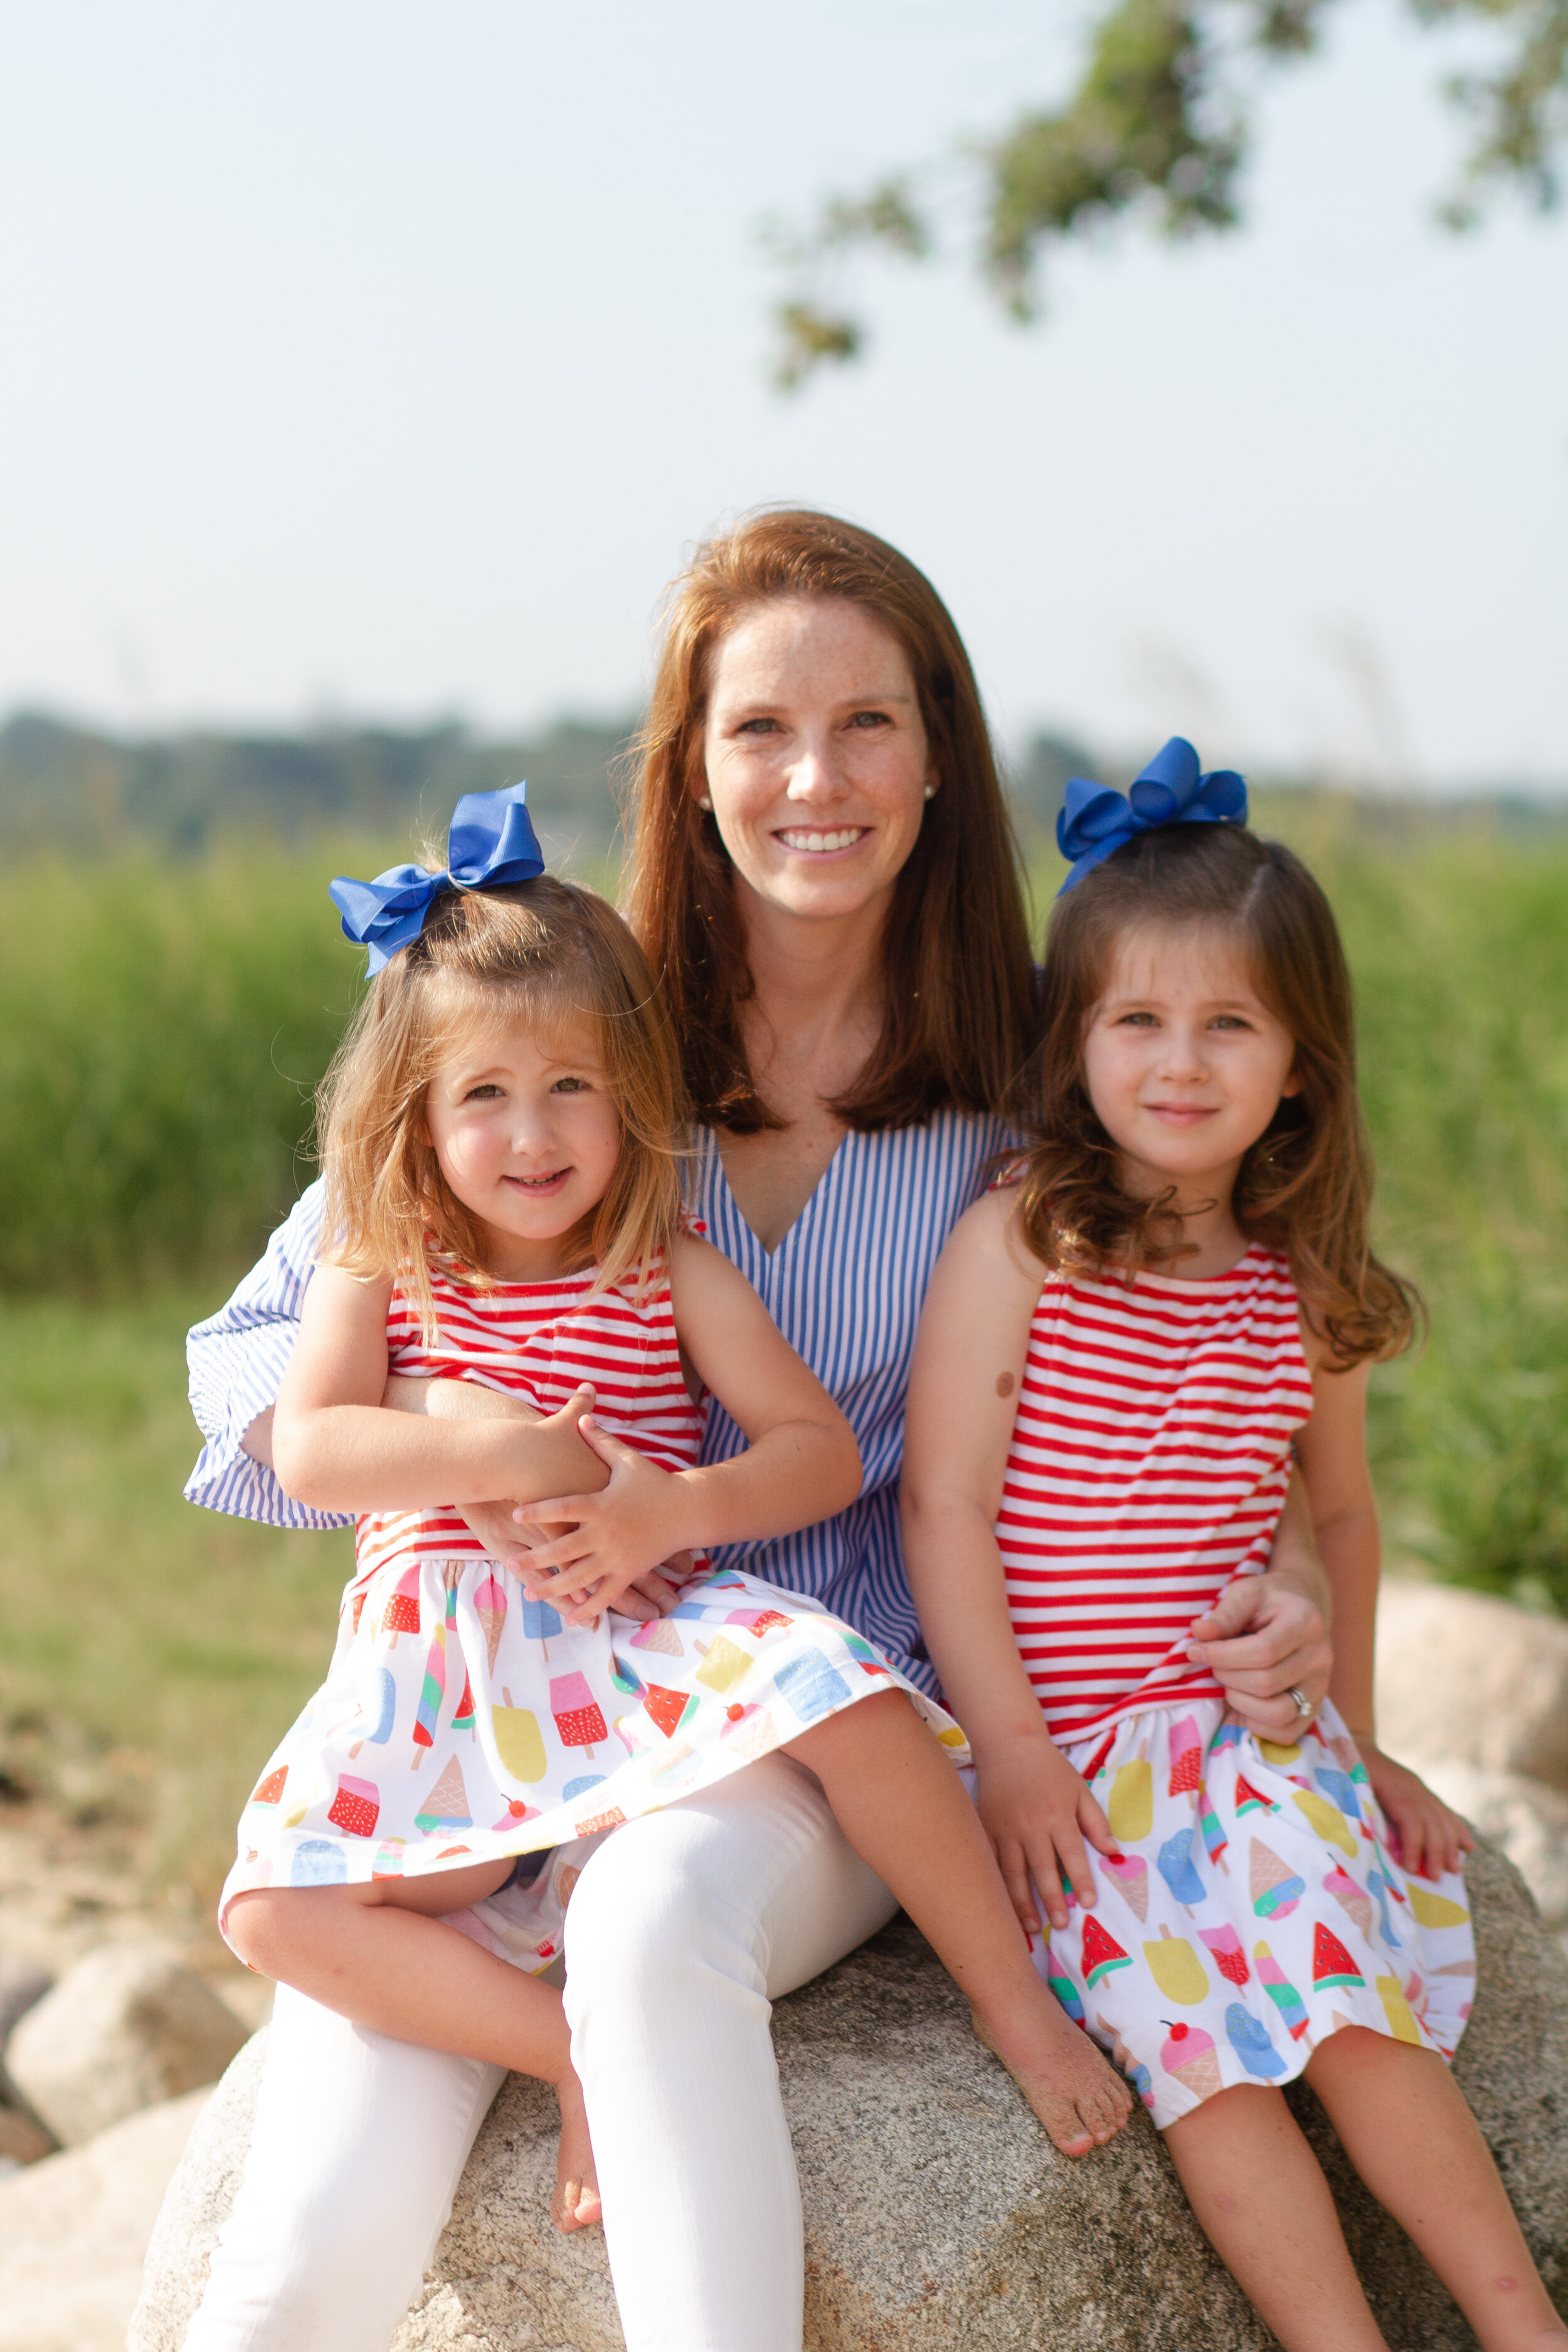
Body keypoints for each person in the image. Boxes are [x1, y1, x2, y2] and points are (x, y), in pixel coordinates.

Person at [182, 513, 1332, 2352]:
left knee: (650, 1927)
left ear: (938, 754)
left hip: (822, 1726)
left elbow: (1211, 1359)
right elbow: (254, 1353)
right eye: (759, 730)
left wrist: (1281, 1575)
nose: (815, 777)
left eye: (868, 722)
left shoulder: (1032, 1086)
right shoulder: (562, 1033)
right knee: (297, 2258)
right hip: (491, 1715)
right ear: (690, 764)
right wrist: (473, 1431)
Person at [221, 788, 1136, 2244]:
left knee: (855, 1706)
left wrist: (673, 1510)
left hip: (637, 1629)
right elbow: (316, 1451)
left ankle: (1013, 2006)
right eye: (483, 1094)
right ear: (413, 1111)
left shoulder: (666, 1259)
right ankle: (567, 2045)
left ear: (635, 1092)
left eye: (573, 1086)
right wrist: (502, 1446)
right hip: (448, 1668)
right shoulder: (376, 1259)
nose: (533, 1133)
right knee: (275, 1909)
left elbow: (820, 1454)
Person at [902, 744, 1565, 2352]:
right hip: (1067, 1753)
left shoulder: (1291, 1282)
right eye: (1135, 1019)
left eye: (1228, 1025)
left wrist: (1361, 1737)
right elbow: (943, 1508)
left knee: (1348, 2006)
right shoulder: (1019, 1239)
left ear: (1296, 1061)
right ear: (1074, 1044)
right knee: (1198, 2061)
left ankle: (1514, 2321)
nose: (1179, 1062)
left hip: (1242, 1746)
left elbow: (1331, 1515)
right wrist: (1007, 1754)